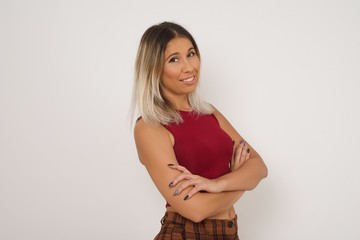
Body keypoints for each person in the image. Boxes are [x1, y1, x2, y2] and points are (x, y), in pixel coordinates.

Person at [131, 21, 268, 239]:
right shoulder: (149, 127)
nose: (189, 67)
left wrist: (217, 184)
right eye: (174, 59)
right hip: (186, 233)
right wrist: (242, 181)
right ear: (153, 68)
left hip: (228, 233)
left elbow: (259, 167)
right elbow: (196, 210)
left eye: (191, 54)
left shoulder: (209, 112)